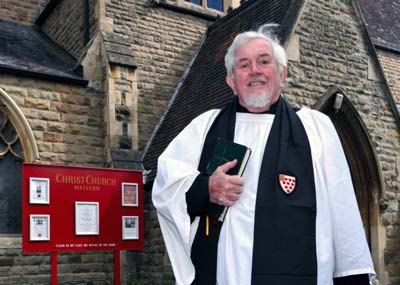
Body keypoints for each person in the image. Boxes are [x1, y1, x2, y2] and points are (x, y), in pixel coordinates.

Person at [152, 24, 375, 285]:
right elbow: (164, 187)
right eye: (243, 64)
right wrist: (206, 188)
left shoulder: (316, 129)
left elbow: (343, 212)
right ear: (231, 81)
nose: (254, 70)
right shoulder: (204, 128)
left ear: (282, 75)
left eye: (264, 61)